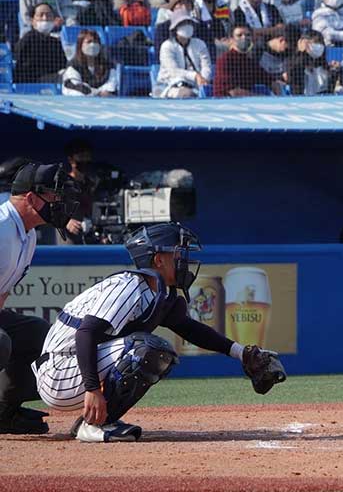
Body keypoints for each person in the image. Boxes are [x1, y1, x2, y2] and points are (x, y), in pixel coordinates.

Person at [33, 222, 286, 442]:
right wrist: (92, 389)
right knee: (149, 349)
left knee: (154, 350)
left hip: (72, 366)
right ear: (158, 259)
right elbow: (86, 333)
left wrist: (241, 353)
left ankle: (95, 421)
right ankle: (94, 424)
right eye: (177, 252)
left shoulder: (158, 291)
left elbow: (190, 329)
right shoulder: (130, 286)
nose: (184, 259)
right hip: (59, 370)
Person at [0, 163, 78, 435]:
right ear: (31, 198)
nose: (59, 203)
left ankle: (3, 411)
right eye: (53, 196)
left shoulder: (28, 234)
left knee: (38, 334)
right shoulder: (1, 228)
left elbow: (3, 291)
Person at [156, 10, 213, 98]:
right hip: (169, 85)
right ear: (175, 28)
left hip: (197, 86)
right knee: (185, 93)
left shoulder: (200, 44)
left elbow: (206, 66)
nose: (187, 26)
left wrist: (204, 79)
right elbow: (173, 71)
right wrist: (195, 76)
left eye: (189, 23)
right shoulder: (167, 46)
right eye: (182, 23)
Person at [212, 25, 278, 97]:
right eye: (239, 35)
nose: (244, 38)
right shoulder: (224, 61)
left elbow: (270, 80)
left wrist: (279, 92)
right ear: (231, 39)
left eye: (248, 35)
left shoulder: (249, 62)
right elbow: (233, 92)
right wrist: (261, 98)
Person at [13, 3, 66, 83]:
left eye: (48, 15)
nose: (45, 18)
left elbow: (62, 65)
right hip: (32, 83)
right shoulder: (26, 40)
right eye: (41, 15)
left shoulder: (56, 42)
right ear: (32, 20)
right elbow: (21, 69)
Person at [62, 29, 119, 97]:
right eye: (89, 42)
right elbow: (75, 86)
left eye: (96, 42)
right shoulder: (73, 66)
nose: (93, 45)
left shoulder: (108, 66)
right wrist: (97, 93)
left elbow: (111, 86)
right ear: (80, 45)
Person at [284, 28, 340, 95]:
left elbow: (330, 90)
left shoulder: (325, 68)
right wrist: (300, 52)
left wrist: (335, 72)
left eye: (320, 43)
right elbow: (292, 74)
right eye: (314, 42)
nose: (318, 46)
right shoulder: (293, 63)